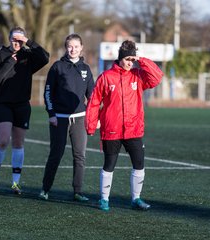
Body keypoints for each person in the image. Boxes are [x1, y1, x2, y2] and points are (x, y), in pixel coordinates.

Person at [85, 40, 163, 211]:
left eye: (132, 59)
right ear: (120, 58)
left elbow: (157, 76)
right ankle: (104, 199)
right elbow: (94, 102)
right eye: (127, 59)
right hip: (111, 130)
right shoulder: (106, 77)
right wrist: (91, 124)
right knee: (109, 164)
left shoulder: (138, 75)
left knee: (139, 163)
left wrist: (140, 59)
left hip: (133, 129)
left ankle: (136, 199)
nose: (129, 63)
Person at [0, 27, 49, 194]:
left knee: (18, 143)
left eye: (20, 39)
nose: (17, 42)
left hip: (22, 105)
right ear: (9, 39)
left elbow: (45, 57)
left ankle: (15, 182)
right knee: (3, 140)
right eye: (14, 38)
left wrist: (29, 42)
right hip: (2, 103)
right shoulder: (0, 55)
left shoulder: (28, 55)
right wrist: (10, 62)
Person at [39, 33, 94, 202]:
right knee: (56, 154)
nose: (73, 49)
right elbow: (48, 92)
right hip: (59, 119)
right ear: (66, 47)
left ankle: (77, 191)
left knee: (80, 156)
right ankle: (45, 189)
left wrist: (93, 117)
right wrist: (52, 114)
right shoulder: (57, 67)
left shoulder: (86, 69)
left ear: (81, 48)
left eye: (76, 46)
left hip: (79, 118)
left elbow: (92, 96)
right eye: (70, 46)